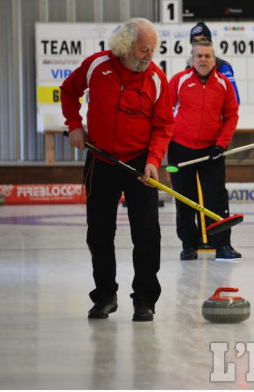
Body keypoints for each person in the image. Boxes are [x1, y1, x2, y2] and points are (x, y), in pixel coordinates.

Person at [60, 18, 174, 321]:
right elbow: (69, 91)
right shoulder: (97, 66)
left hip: (140, 163)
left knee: (147, 234)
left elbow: (163, 126)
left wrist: (153, 161)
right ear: (124, 47)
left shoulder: (157, 79)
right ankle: (105, 295)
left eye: (152, 49)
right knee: (99, 233)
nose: (148, 55)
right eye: (141, 49)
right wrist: (74, 126)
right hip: (101, 159)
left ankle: (145, 299)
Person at [167, 41, 240, 261]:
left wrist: (221, 144)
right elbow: (164, 111)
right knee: (184, 199)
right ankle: (189, 245)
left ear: (214, 59)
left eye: (208, 56)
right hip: (181, 149)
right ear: (192, 59)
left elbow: (232, 117)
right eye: (199, 56)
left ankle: (222, 246)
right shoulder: (178, 81)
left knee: (215, 200)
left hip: (212, 151)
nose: (203, 60)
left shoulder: (224, 84)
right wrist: (170, 136)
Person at [189, 22, 240, 104]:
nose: (198, 44)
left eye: (202, 40)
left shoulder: (222, 67)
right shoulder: (188, 69)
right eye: (194, 41)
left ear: (210, 42)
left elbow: (234, 100)